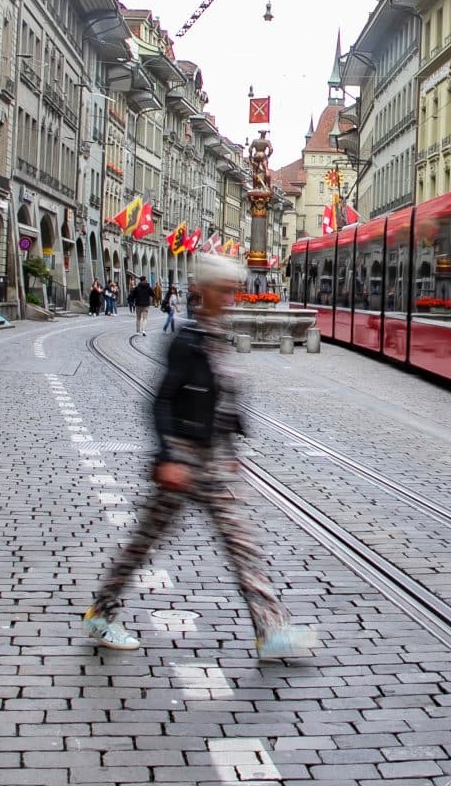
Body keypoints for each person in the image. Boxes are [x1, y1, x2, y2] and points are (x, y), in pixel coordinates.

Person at [83, 253, 314, 659]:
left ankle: (271, 630)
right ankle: (101, 613)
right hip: (184, 459)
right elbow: (161, 402)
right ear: (203, 291)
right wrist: (168, 455)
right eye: (223, 290)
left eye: (232, 290)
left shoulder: (219, 335)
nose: (230, 297)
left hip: (215, 462)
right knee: (143, 543)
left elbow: (223, 396)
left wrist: (231, 443)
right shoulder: (187, 341)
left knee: (242, 545)